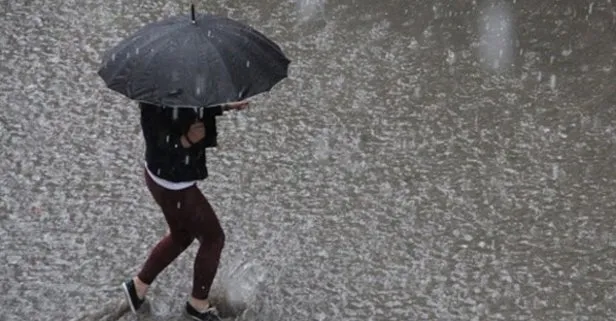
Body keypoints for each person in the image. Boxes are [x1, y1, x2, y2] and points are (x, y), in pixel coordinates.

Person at [121, 100, 249, 321]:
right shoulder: (157, 98)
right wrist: (187, 140)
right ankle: (197, 305)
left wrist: (224, 106)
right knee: (213, 238)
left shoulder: (171, 88)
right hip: (174, 185)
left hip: (160, 177)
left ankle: (138, 287)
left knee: (182, 236)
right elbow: (159, 140)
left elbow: (189, 107)